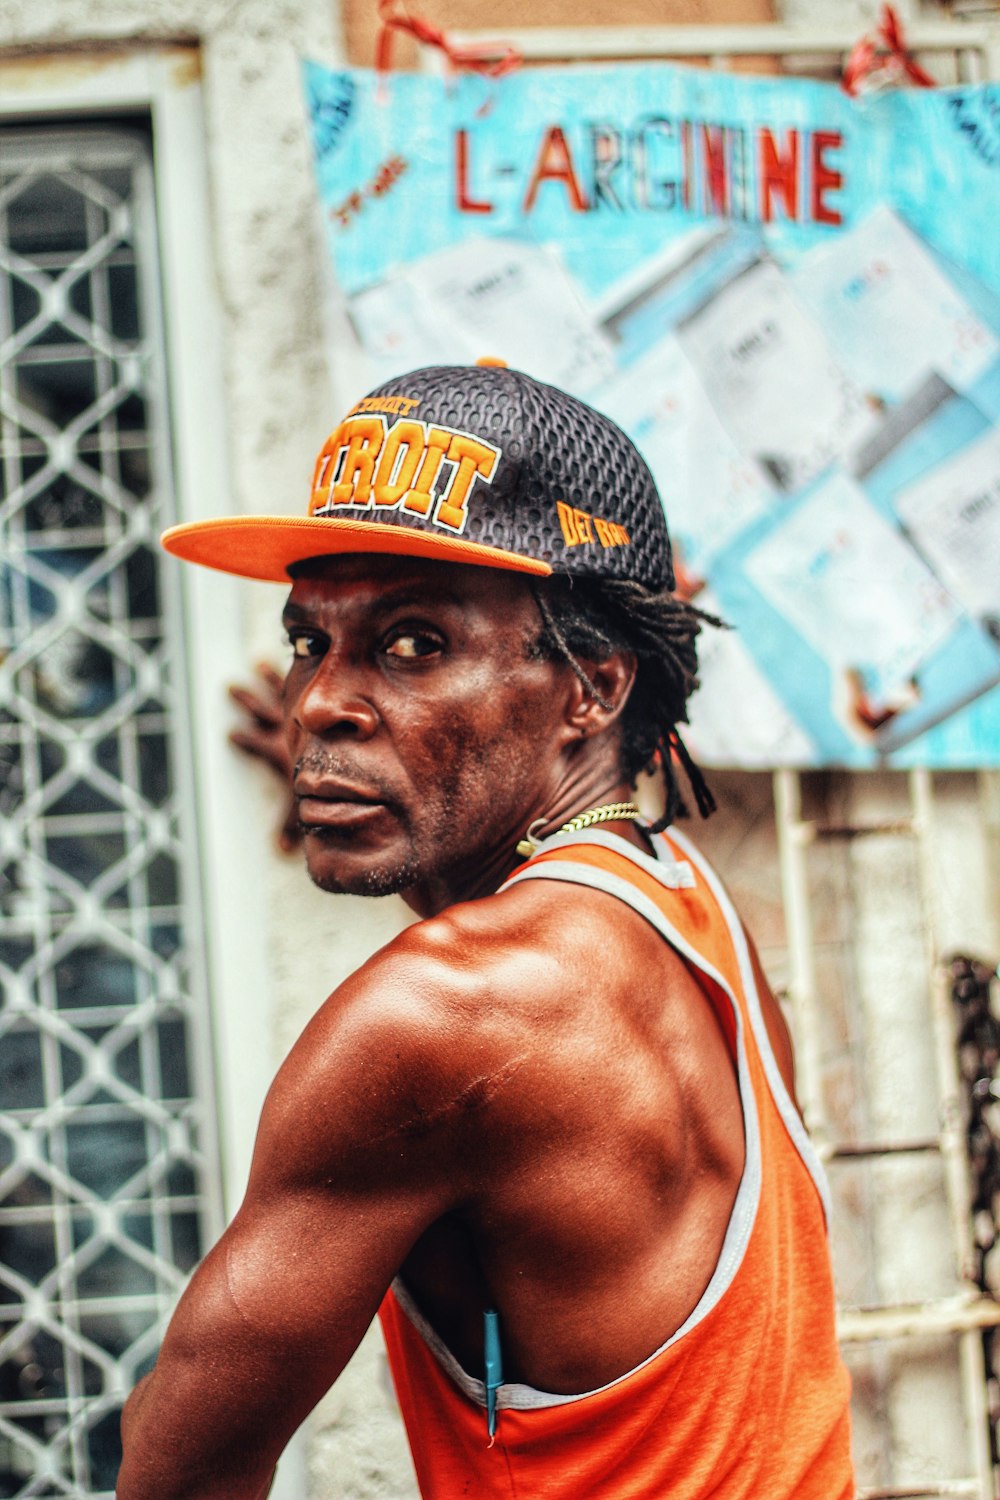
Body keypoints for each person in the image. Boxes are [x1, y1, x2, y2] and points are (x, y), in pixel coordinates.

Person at [117, 361, 853, 1499]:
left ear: (591, 690)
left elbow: (176, 1470)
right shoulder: (682, 909)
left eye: (413, 643)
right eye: (312, 640)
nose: (318, 700)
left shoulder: (448, 1013)